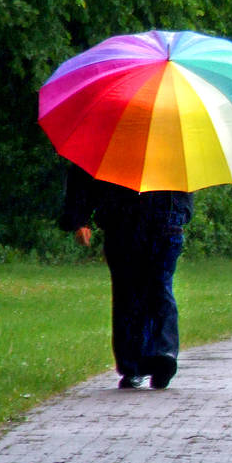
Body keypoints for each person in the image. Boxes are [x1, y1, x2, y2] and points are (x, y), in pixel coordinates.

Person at [57, 163, 194, 390]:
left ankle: (161, 355)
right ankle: (135, 364)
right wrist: (79, 218)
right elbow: (83, 172)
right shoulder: (112, 133)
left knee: (157, 286)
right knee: (129, 293)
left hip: (165, 219)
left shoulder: (178, 137)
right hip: (123, 221)